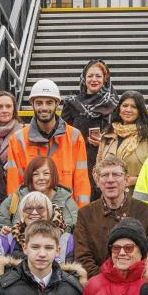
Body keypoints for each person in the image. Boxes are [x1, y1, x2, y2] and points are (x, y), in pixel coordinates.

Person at [5, 79, 91, 210]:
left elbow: (81, 181)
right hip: (31, 212)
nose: (44, 108)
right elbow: (13, 183)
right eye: (39, 103)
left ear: (57, 104)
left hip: (66, 212)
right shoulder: (18, 139)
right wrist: (15, 214)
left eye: (49, 103)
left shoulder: (74, 136)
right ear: (32, 104)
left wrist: (81, 216)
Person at [74, 155, 148, 279]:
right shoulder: (85, 214)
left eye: (116, 174)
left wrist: (132, 279)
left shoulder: (145, 212)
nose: (110, 180)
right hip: (100, 286)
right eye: (104, 175)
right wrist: (105, 280)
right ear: (98, 181)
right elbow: (82, 257)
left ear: (126, 180)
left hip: (138, 285)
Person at [60, 58, 119, 199]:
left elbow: (121, 134)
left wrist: (104, 142)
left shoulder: (114, 104)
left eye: (98, 76)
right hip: (78, 162)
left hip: (106, 163)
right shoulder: (72, 103)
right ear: (84, 78)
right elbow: (62, 134)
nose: (94, 79)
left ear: (105, 79)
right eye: (90, 76)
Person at [97, 90, 148, 188]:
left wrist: (135, 180)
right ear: (119, 109)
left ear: (140, 111)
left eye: (134, 107)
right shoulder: (108, 133)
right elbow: (98, 166)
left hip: (139, 196)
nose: (128, 110)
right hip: (110, 196)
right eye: (125, 106)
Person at [0, 191, 74, 264]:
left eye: (40, 208)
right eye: (29, 209)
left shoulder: (66, 239)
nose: (34, 212)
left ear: (49, 212)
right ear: (22, 213)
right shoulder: (8, 238)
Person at [0, 155, 79, 230]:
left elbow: (74, 228)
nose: (41, 178)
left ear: (53, 175)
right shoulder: (17, 197)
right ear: (30, 177)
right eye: (36, 174)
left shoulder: (65, 200)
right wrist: (5, 231)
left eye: (46, 173)